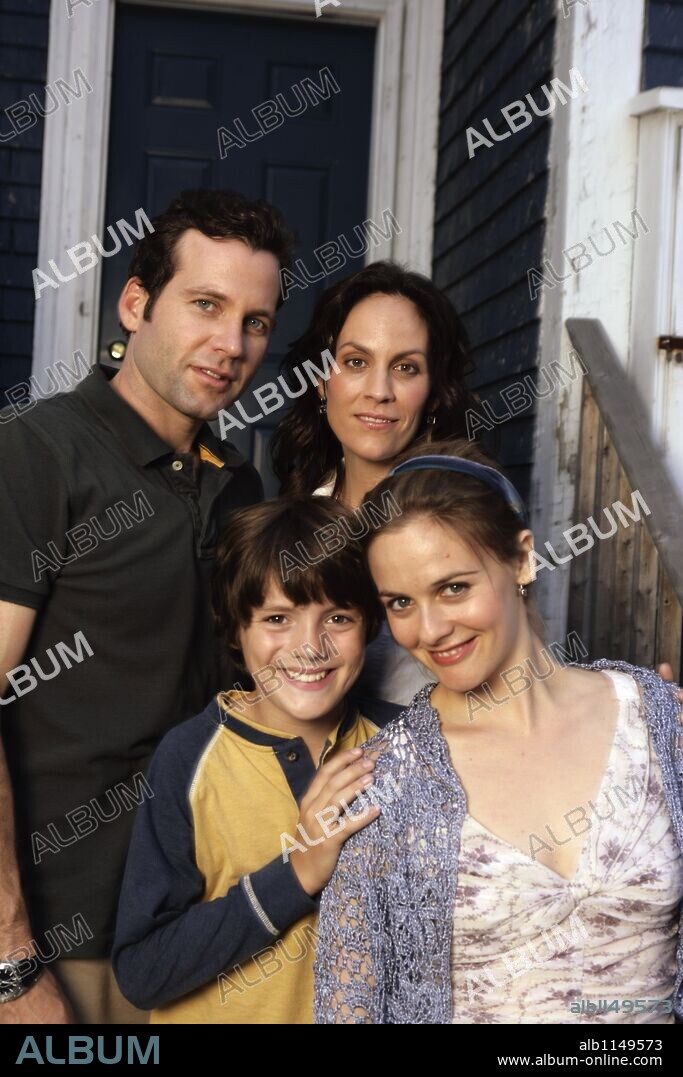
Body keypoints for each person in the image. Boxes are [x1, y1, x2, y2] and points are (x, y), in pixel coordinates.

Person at [0, 188, 293, 1024]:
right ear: (135, 302)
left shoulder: (238, 484)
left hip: (198, 917)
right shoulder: (37, 452)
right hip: (65, 936)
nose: (230, 344)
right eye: (205, 305)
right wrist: (12, 961)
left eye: (255, 321)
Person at [314, 440, 683, 1024]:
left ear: (522, 560)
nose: (430, 630)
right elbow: (350, 1008)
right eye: (401, 602)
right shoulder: (384, 782)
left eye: (453, 587)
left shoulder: (659, 723)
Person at [112, 497, 400, 1023]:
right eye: (277, 618)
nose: (309, 647)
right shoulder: (189, 759)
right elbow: (143, 972)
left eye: (337, 616)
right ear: (236, 629)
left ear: (370, 625)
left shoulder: (405, 741)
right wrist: (298, 874)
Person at [271, 261, 481, 704]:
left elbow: (525, 671)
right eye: (355, 362)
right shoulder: (293, 524)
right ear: (321, 382)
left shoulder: (472, 523)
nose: (379, 390)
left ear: (435, 393)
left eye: (405, 368)